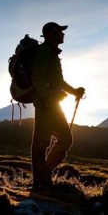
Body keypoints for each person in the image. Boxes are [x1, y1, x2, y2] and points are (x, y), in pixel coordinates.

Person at [31, 22, 85, 189]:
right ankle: (41, 180)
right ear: (50, 34)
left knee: (60, 140)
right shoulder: (44, 52)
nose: (62, 34)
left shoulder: (51, 53)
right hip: (47, 103)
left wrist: (74, 91)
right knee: (44, 142)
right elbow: (37, 77)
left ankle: (43, 176)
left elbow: (58, 81)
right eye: (59, 31)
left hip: (52, 102)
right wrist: (43, 98)